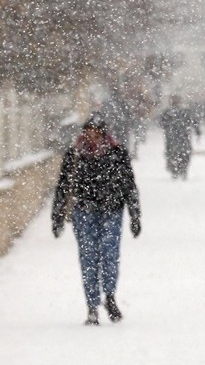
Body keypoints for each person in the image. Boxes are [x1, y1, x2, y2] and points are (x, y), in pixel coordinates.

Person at [52, 115, 141, 325]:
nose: (91, 135)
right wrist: (57, 216)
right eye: (88, 131)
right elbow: (63, 186)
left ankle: (109, 296)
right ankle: (92, 306)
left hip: (112, 209)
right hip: (84, 211)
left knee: (110, 254)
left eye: (95, 131)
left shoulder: (117, 153)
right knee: (88, 257)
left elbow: (129, 184)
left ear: (103, 132)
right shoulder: (74, 154)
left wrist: (135, 214)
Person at [158, 95, 200, 179]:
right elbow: (194, 122)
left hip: (178, 136)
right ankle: (178, 170)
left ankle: (179, 169)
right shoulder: (177, 111)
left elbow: (161, 123)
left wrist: (197, 131)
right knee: (178, 153)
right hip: (178, 136)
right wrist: (197, 131)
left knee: (178, 153)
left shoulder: (173, 112)